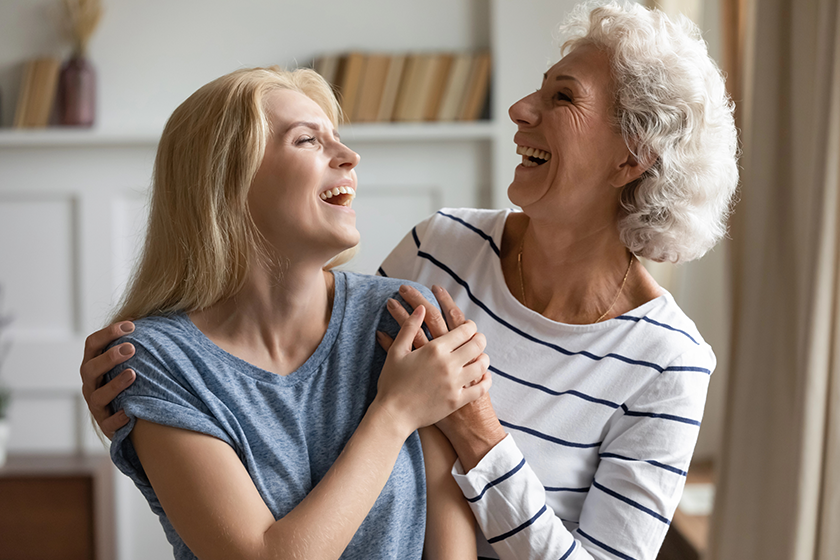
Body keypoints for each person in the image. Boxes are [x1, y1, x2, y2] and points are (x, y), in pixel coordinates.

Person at [83, 2, 738, 559]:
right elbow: (321, 372)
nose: (519, 108)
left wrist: (476, 431)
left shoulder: (669, 362)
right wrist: (148, 399)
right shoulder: (441, 250)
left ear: (631, 158)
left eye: (563, 96)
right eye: (308, 140)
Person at [84, 65, 492, 560]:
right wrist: (396, 412)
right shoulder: (154, 361)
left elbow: (450, 547)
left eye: (336, 137)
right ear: (227, 179)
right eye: (307, 140)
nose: (349, 156)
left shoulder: (400, 317)